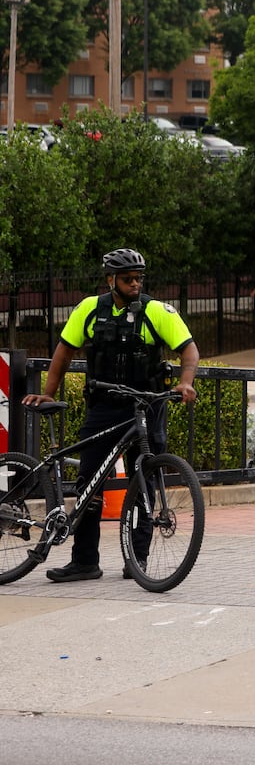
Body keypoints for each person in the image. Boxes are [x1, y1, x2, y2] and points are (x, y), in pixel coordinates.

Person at [22, 249, 198, 582]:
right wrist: (50, 391)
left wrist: (185, 382)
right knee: (90, 480)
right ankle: (85, 561)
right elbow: (64, 351)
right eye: (128, 279)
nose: (135, 284)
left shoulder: (157, 312)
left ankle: (137, 560)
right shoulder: (89, 309)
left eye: (139, 279)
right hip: (103, 406)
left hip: (146, 405)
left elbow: (189, 349)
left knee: (144, 479)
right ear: (110, 280)